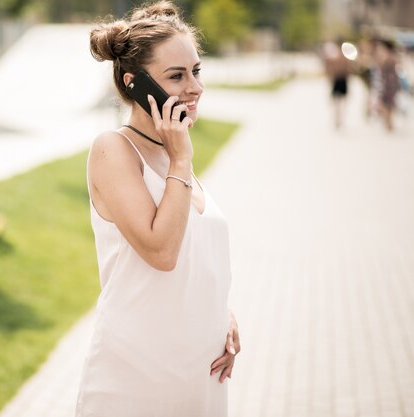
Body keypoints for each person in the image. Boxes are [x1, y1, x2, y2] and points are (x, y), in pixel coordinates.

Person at [76, 2, 240, 416]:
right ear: (136, 84)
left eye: (196, 71)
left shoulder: (171, 156)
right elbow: (162, 252)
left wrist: (222, 312)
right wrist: (181, 159)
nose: (195, 88)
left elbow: (194, 251)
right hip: (137, 381)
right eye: (176, 76)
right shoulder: (114, 150)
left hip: (197, 379)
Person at [323, 39, 351, 129]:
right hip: (340, 80)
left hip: (340, 80)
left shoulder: (337, 57)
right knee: (339, 101)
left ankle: (339, 118)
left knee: (339, 101)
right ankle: (338, 118)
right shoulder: (340, 57)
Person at [376, 39, 400, 131]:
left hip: (388, 84)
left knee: (386, 103)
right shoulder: (392, 56)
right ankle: (388, 122)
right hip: (391, 83)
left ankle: (388, 122)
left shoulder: (388, 57)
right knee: (389, 103)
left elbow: (382, 69)